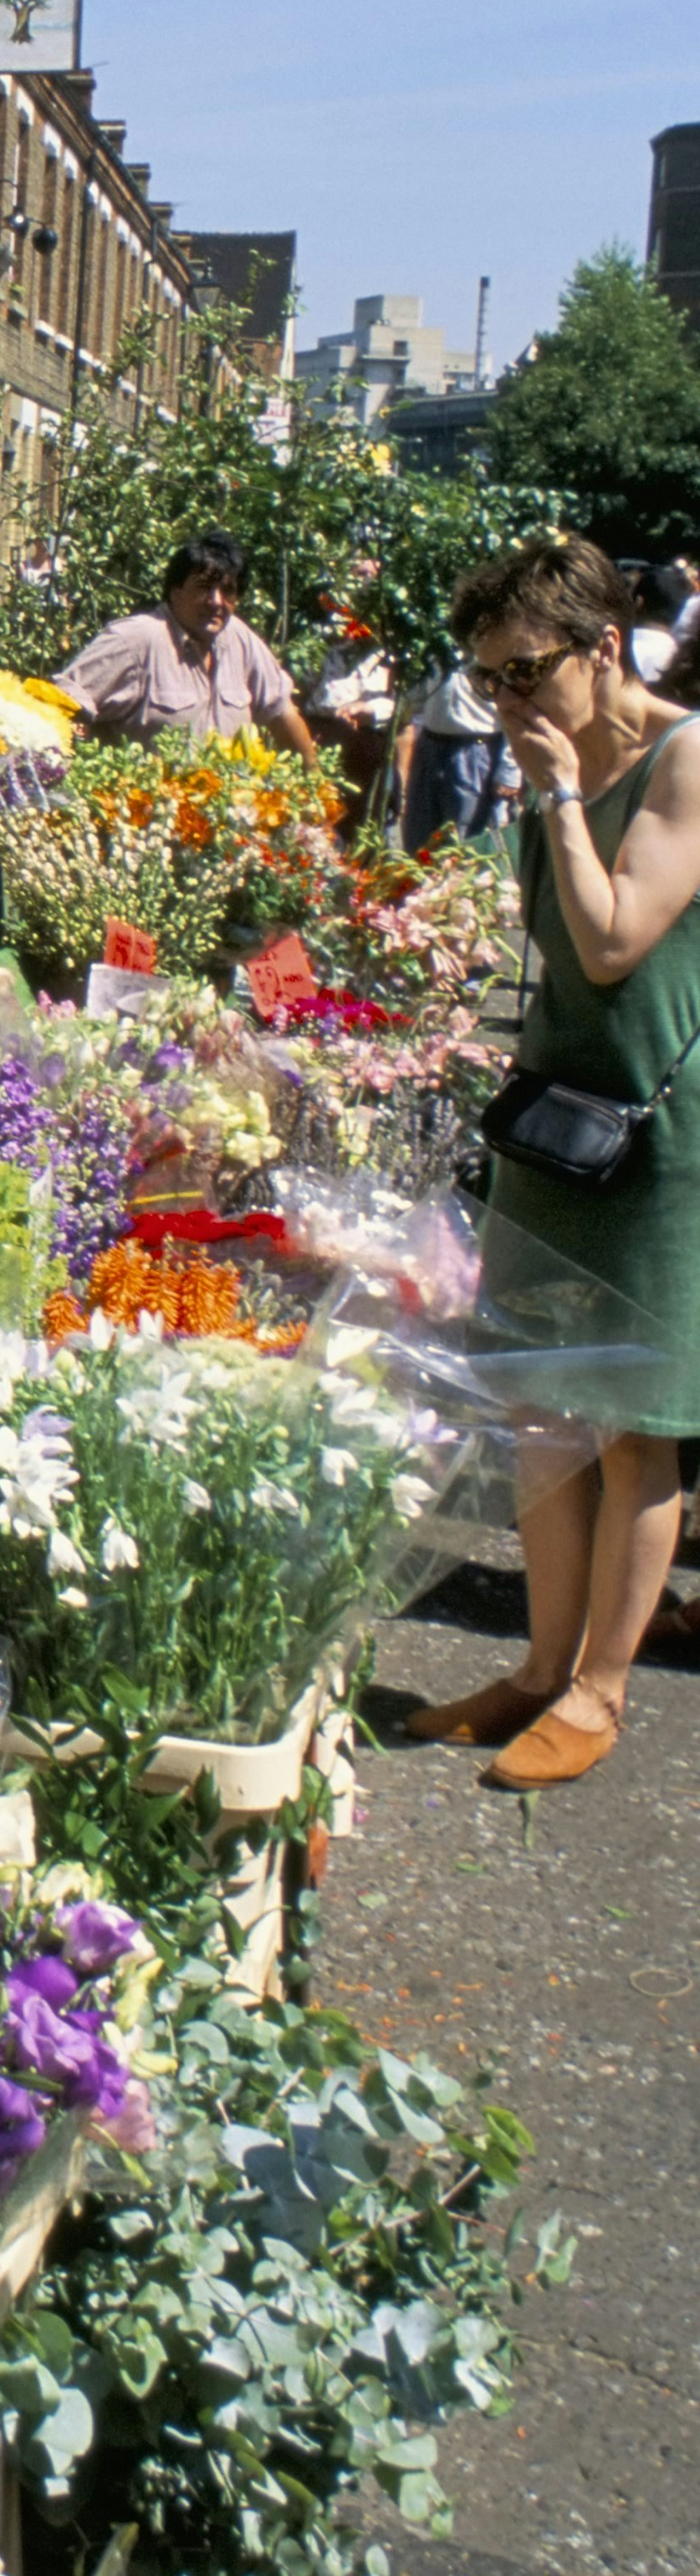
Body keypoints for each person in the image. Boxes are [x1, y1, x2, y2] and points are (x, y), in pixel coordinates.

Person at [402, 533, 700, 1790]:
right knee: (537, 1401)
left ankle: (600, 1687)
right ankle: (537, 1664)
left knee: (636, 1425)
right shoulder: (551, 756)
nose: (512, 704)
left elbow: (616, 934)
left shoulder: (685, 758)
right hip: (556, 1120)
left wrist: (562, 794)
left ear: (601, 645)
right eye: (490, 684)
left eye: (526, 673)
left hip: (657, 1134)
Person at [55, 531, 320, 756]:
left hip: (232, 810)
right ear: (175, 589)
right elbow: (59, 705)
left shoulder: (239, 639)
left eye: (227, 591)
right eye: (204, 587)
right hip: (146, 811)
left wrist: (315, 794)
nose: (216, 601)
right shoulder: (135, 640)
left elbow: (281, 713)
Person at [399, 652, 507, 849]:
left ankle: (458, 877)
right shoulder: (440, 646)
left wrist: (509, 770)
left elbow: (514, 715)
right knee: (418, 832)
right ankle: (414, 877)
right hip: (429, 746)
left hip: (475, 752)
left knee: (463, 838)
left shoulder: (493, 650)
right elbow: (417, 695)